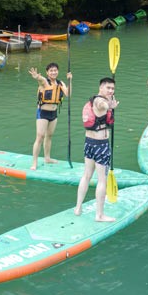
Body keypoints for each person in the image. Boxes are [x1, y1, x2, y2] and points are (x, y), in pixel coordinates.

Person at [75, 77, 118, 222]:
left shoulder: (94, 100)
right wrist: (110, 106)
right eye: (108, 88)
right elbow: (102, 106)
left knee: (86, 175)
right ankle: (99, 215)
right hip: (100, 145)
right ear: (101, 88)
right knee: (101, 180)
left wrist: (110, 105)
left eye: (113, 89)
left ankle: (78, 208)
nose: (111, 91)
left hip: (89, 143)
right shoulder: (100, 101)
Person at [28, 63, 71, 170]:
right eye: (51, 70)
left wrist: (70, 80)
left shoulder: (60, 83)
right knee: (40, 137)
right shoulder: (45, 82)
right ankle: (34, 162)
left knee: (49, 136)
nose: (53, 72)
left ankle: (47, 158)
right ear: (47, 72)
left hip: (54, 113)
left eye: (55, 70)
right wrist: (37, 76)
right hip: (43, 113)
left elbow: (68, 94)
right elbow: (40, 79)